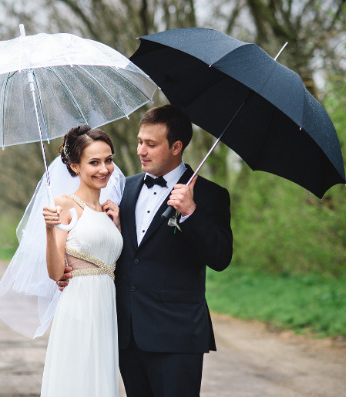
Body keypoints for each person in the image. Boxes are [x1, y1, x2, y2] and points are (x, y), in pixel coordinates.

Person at [58, 105, 233, 396]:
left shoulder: (211, 195)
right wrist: (76, 270)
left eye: (150, 144)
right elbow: (119, 253)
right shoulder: (125, 188)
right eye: (140, 141)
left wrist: (190, 213)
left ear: (176, 147)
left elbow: (220, 258)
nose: (141, 150)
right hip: (127, 334)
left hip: (176, 335)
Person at [40, 124, 124, 396]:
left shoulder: (111, 209)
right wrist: (50, 228)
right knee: (80, 380)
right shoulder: (64, 204)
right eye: (94, 162)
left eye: (108, 160)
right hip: (80, 305)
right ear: (75, 167)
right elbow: (55, 272)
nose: (104, 169)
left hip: (107, 305)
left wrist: (118, 225)